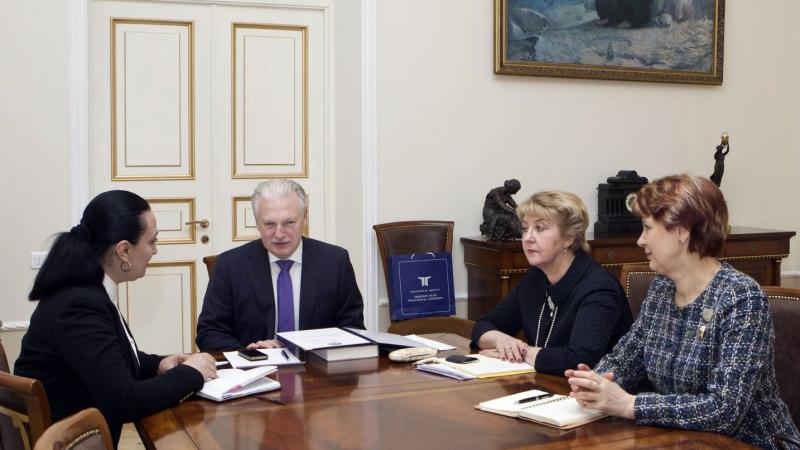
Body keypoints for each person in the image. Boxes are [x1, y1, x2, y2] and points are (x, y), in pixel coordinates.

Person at [566, 174, 800, 450]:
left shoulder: (741, 297)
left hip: (752, 444)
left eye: (647, 228)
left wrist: (631, 404)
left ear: (681, 231)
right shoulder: (661, 289)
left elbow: (724, 410)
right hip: (677, 439)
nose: (640, 240)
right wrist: (596, 382)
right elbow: (625, 360)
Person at [14, 190, 217, 447]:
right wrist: (191, 374)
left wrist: (158, 365)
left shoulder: (88, 288)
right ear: (124, 250)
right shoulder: (79, 305)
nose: (155, 250)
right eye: (151, 242)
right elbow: (125, 401)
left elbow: (112, 357)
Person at [471, 191, 632, 375]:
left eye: (540, 228)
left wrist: (522, 352)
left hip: (591, 388)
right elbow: (482, 326)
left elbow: (579, 360)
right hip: (546, 383)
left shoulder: (600, 287)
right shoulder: (536, 277)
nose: (527, 238)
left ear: (568, 238)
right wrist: (503, 341)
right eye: (525, 228)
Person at [196, 179, 364, 351]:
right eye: (269, 224)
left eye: (289, 222)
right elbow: (209, 333)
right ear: (257, 222)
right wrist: (248, 352)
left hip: (318, 364)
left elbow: (352, 327)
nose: (279, 234)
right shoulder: (230, 266)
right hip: (255, 366)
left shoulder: (335, 262)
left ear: (305, 217)